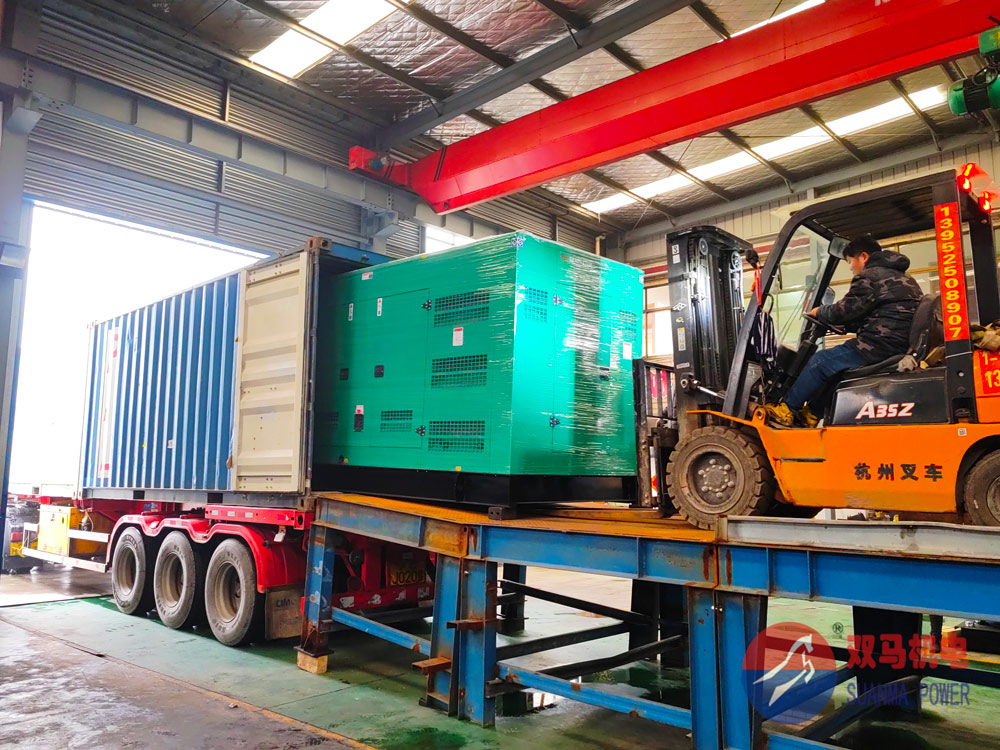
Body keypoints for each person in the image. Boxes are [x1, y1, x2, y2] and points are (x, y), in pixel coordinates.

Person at [766, 235, 922, 427]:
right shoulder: (904, 278)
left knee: (820, 362)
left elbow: (844, 310)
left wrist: (820, 312)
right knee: (837, 370)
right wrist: (847, 326)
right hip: (895, 343)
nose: (850, 267)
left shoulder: (870, 276)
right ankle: (811, 414)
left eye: (850, 261)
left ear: (863, 257)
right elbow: (875, 312)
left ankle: (786, 409)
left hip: (877, 346)